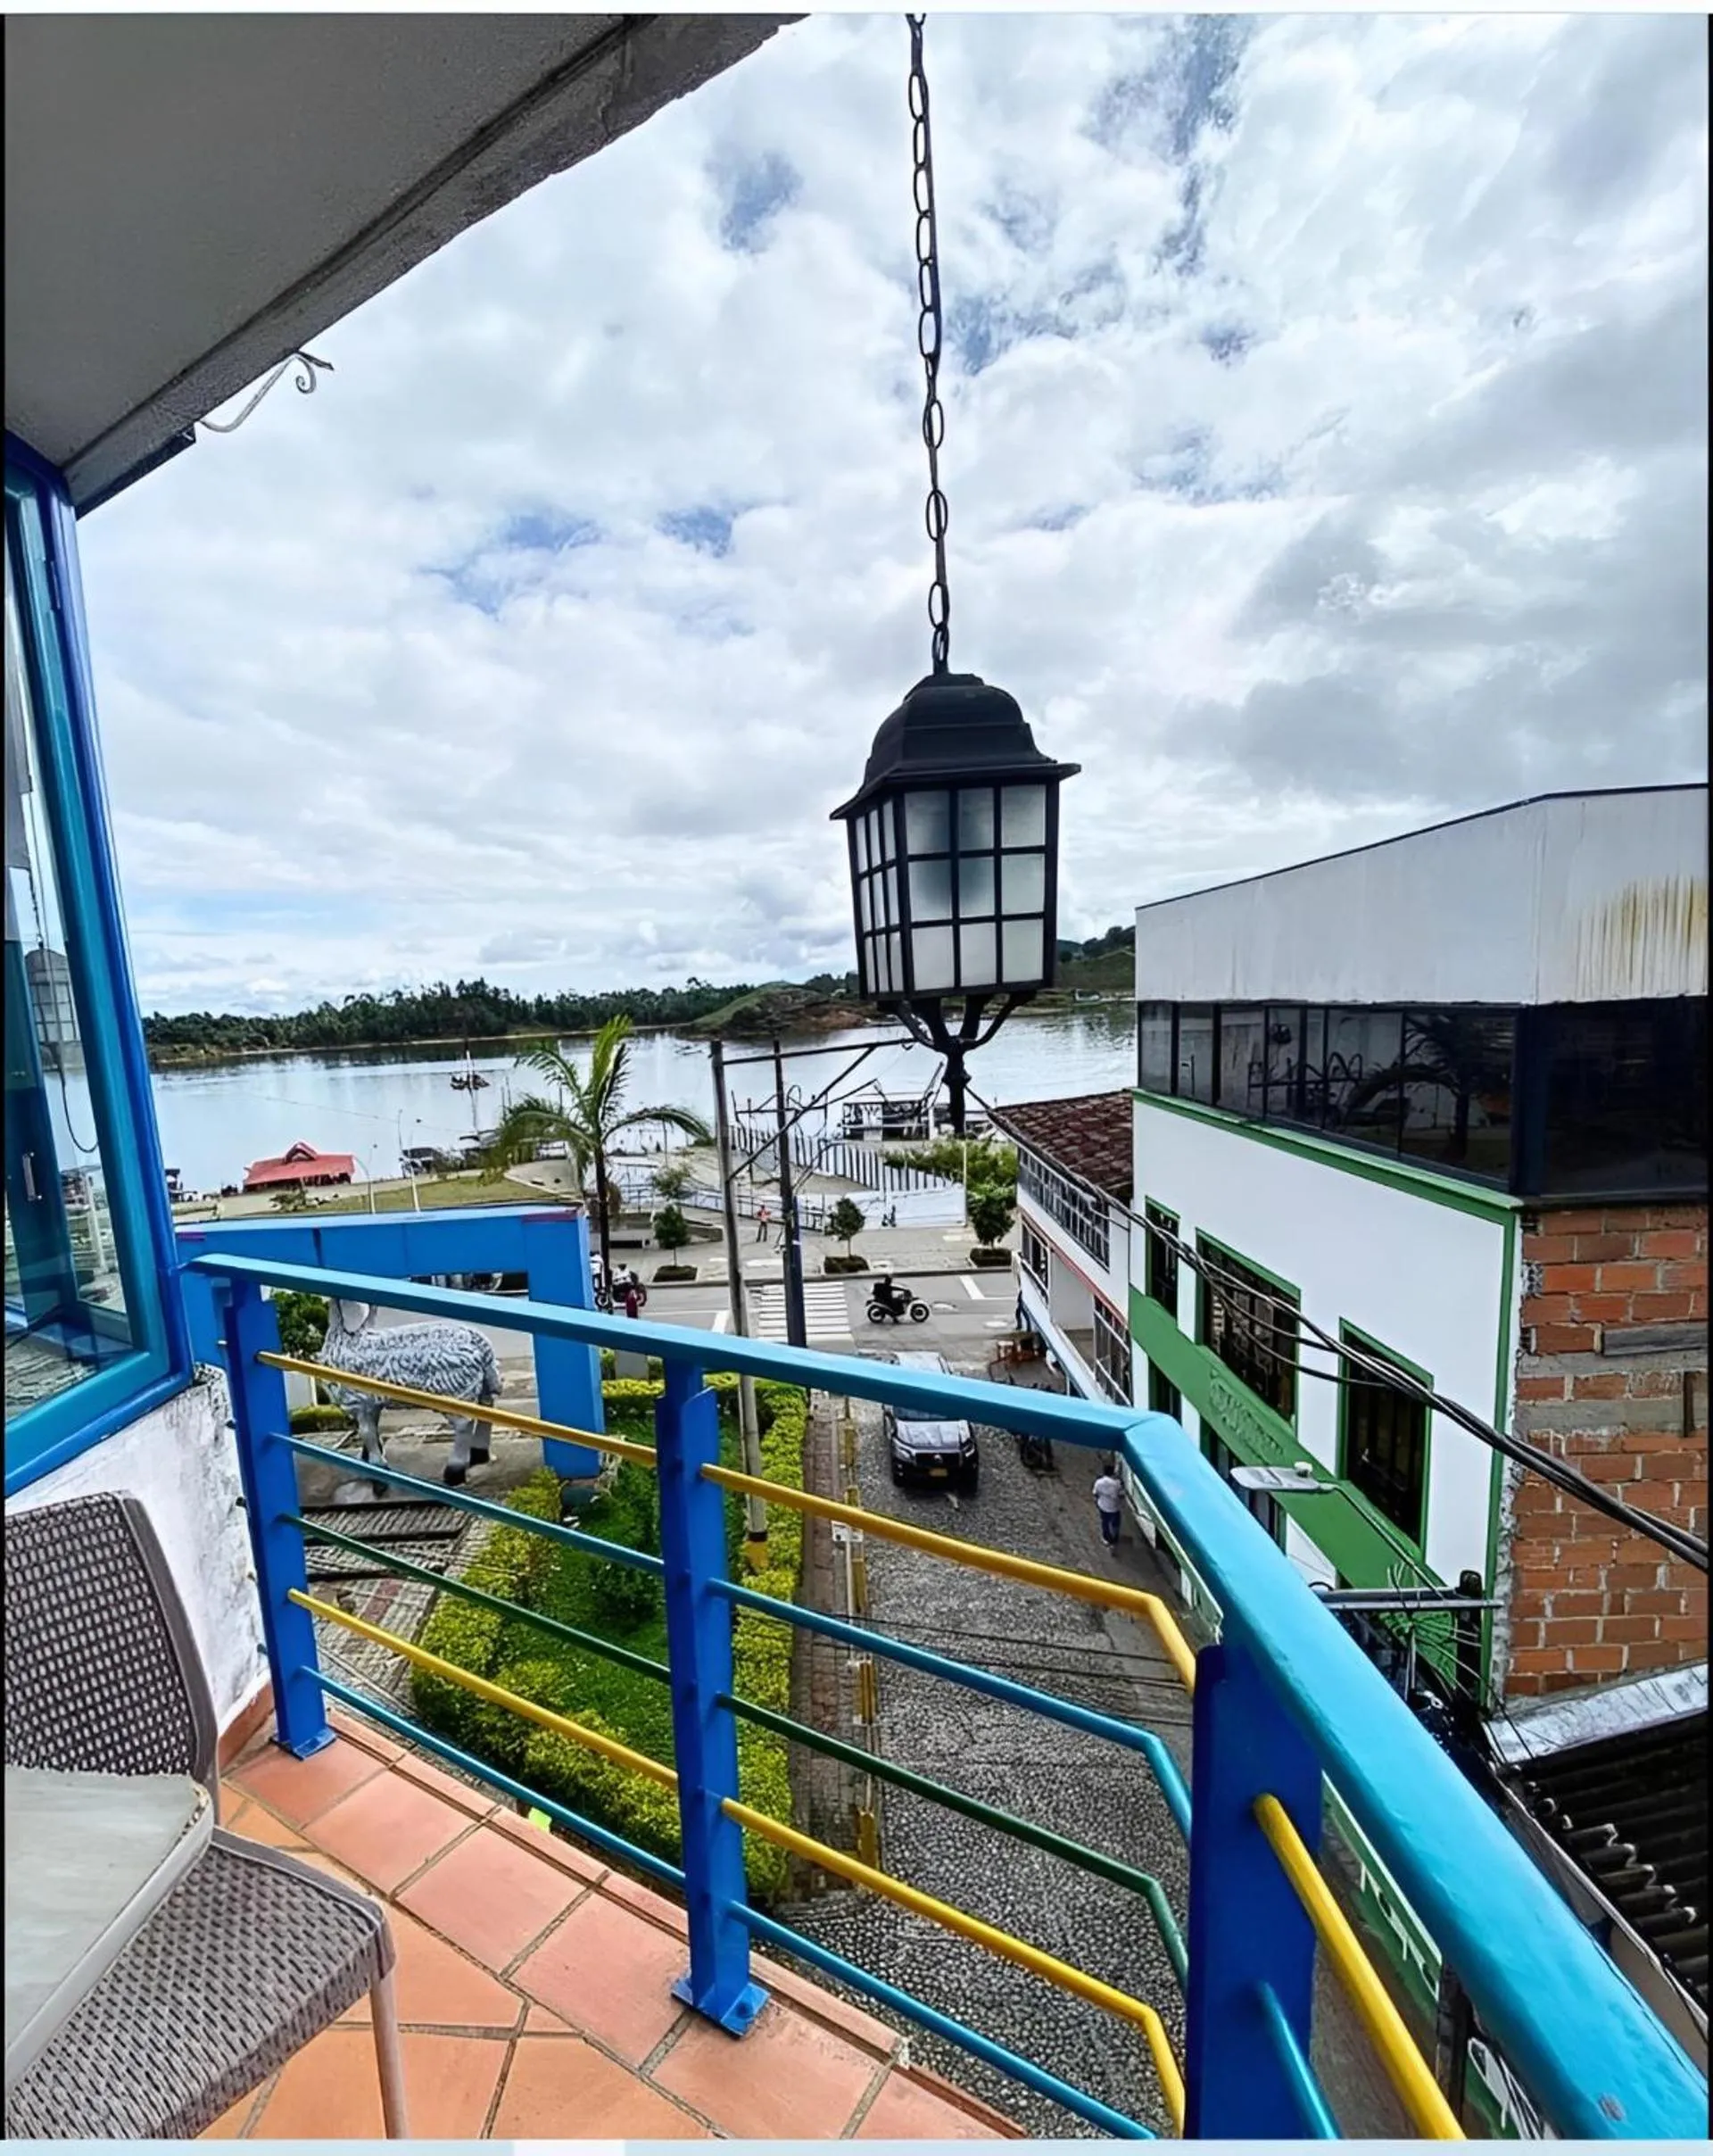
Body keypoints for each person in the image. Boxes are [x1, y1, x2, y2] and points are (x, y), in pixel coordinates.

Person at [1093, 1464, 1124, 1548]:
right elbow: (1121, 1495)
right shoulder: (1116, 1484)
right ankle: (1114, 1539)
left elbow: (1095, 1494)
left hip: (1102, 1506)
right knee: (1116, 1523)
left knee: (1105, 1522)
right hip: (1114, 1507)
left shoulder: (1098, 1482)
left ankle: (1106, 1538)